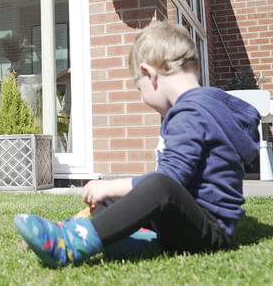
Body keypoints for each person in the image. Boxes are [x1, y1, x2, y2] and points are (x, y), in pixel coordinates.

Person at [14, 20, 260, 267]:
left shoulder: (189, 114)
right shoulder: (209, 106)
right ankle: (76, 230)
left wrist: (112, 185)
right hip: (189, 219)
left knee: (156, 185)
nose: (143, 98)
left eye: (139, 88)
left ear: (149, 75)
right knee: (122, 195)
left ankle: (68, 244)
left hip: (207, 232)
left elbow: (170, 182)